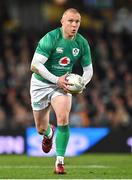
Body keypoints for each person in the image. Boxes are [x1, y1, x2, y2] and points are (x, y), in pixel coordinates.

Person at [30, 8, 93, 174]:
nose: (74, 25)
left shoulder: (81, 43)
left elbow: (88, 71)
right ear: (62, 22)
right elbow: (35, 65)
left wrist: (81, 84)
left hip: (63, 85)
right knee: (40, 128)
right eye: (70, 21)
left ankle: (59, 162)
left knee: (63, 118)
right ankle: (49, 133)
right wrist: (55, 79)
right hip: (41, 84)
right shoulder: (50, 38)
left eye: (77, 21)